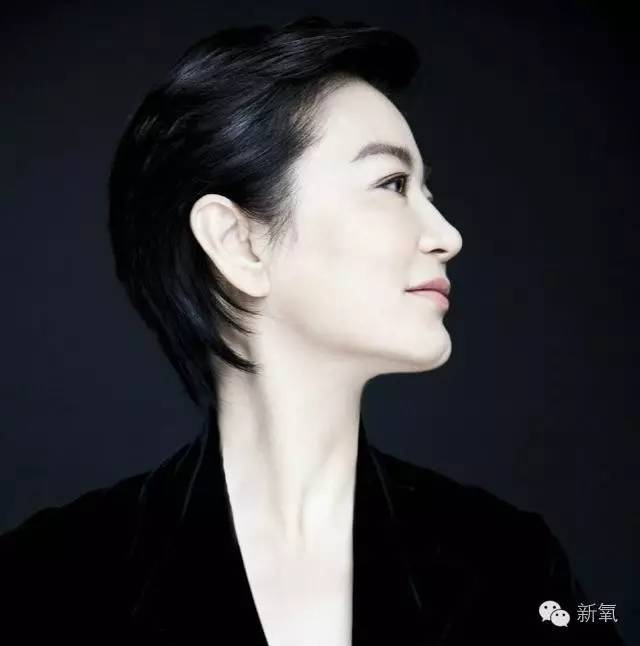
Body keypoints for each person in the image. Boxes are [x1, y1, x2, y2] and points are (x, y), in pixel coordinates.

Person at [0, 16, 624, 645]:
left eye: (426, 191)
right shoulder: (46, 582)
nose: (448, 236)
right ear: (239, 242)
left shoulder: (516, 568)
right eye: (392, 184)